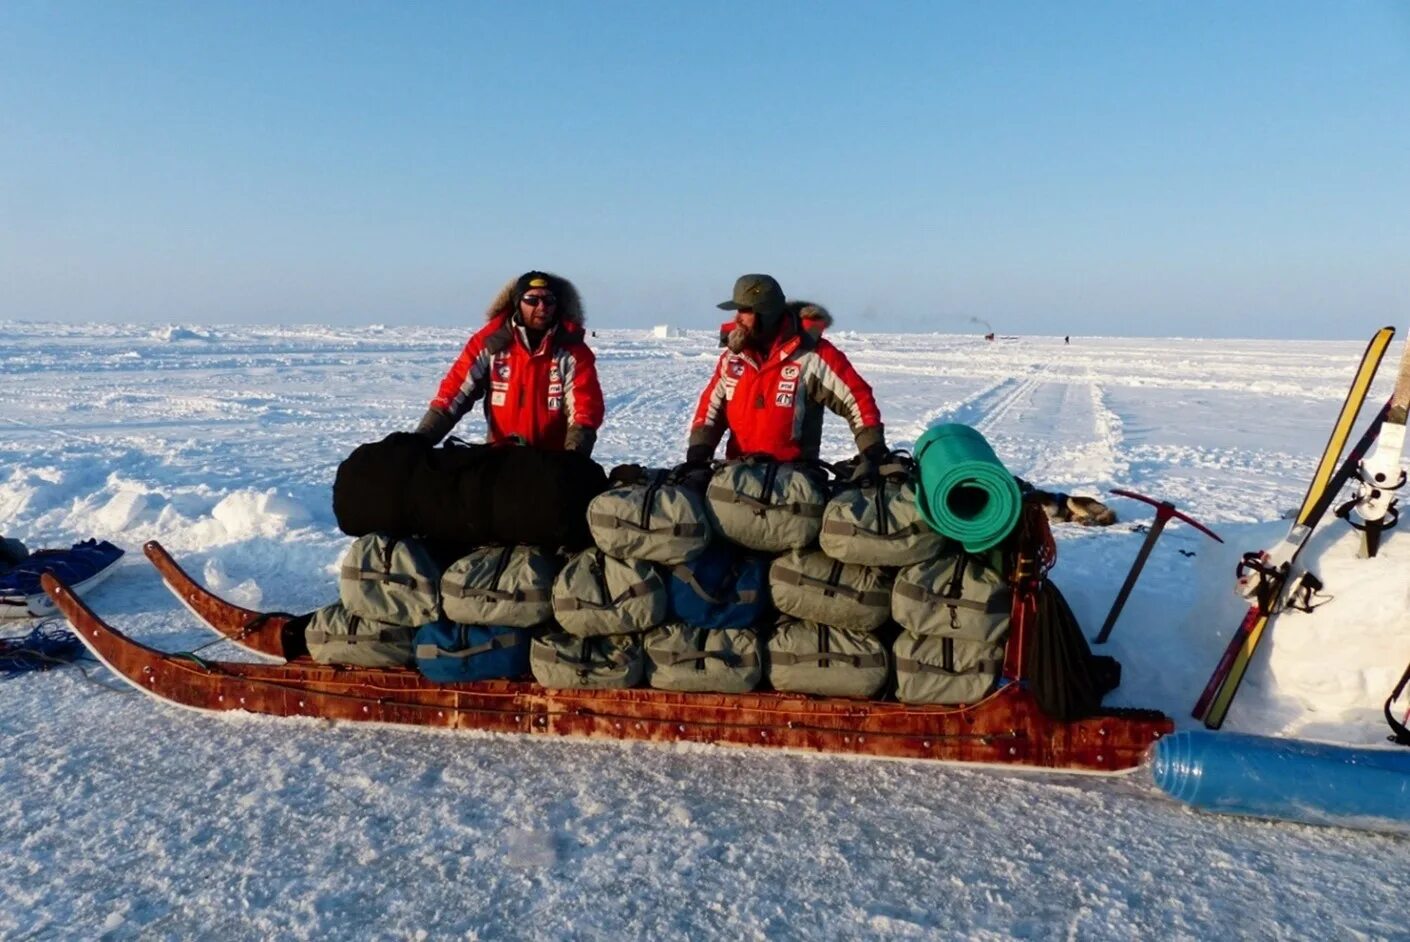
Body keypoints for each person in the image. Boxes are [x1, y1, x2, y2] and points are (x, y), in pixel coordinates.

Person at [687, 274, 885, 465]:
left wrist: (872, 449)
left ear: (767, 314)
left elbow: (857, 399)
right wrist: (698, 453)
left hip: (793, 482)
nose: (738, 317)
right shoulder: (733, 358)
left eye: (745, 310)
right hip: (739, 478)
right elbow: (710, 408)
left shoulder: (811, 355)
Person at [415, 271, 604, 455]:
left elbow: (584, 407)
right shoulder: (491, 343)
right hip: (501, 460)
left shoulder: (572, 352)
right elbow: (455, 393)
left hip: (550, 463)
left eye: (549, 301)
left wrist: (574, 457)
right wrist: (420, 440)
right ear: (517, 303)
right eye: (532, 300)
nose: (541, 307)